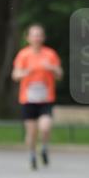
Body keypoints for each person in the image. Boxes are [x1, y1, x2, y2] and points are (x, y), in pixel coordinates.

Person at [12, 24, 62, 169]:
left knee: (45, 127)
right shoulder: (23, 55)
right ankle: (32, 154)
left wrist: (52, 68)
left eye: (39, 34)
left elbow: (60, 74)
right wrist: (24, 73)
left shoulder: (50, 54)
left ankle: (44, 148)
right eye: (34, 35)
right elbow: (15, 75)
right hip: (28, 99)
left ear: (43, 37)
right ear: (28, 38)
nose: (37, 37)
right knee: (32, 131)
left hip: (46, 98)